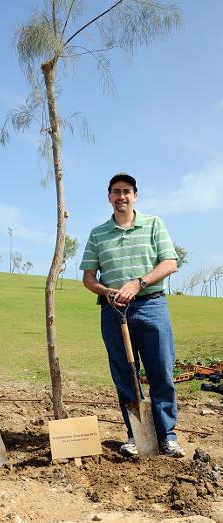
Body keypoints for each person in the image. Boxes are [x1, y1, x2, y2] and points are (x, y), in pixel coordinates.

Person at [80, 172, 185, 458]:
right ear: (109, 197)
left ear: (135, 195)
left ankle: (168, 436)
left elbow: (170, 263)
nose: (121, 196)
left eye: (127, 191)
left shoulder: (153, 224)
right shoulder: (98, 234)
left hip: (151, 306)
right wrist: (105, 291)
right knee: (125, 375)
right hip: (114, 312)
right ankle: (135, 436)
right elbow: (88, 277)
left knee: (161, 371)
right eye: (116, 191)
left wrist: (138, 283)